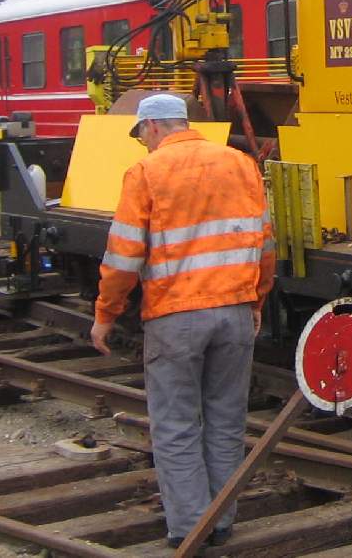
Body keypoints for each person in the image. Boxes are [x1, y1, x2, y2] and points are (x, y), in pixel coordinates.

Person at [89, 93, 275, 549]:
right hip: (234, 310)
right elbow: (266, 245)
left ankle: (191, 526)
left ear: (152, 128)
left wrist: (105, 314)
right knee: (227, 418)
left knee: (175, 424)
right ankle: (223, 518)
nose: (144, 145)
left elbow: (123, 255)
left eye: (141, 136)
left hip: (176, 315)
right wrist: (256, 303)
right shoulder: (240, 163)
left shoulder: (147, 172)